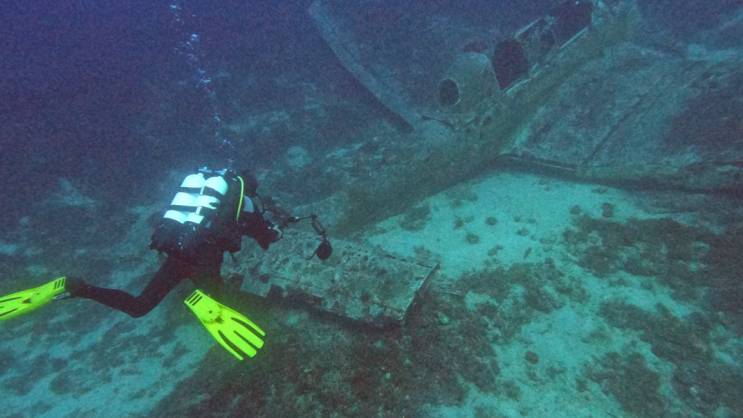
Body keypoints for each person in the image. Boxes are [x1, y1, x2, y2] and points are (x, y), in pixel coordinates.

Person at [0, 167, 283, 361]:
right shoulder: (243, 203)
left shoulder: (198, 197)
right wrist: (276, 228)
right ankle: (201, 299)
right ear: (248, 188)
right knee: (219, 302)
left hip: (176, 253)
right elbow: (266, 237)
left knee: (139, 306)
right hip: (204, 260)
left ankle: (76, 287)